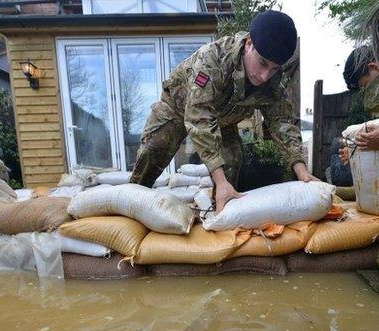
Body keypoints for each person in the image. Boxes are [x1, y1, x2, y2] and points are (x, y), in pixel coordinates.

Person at [130, 10, 320, 211]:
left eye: (273, 69)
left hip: (224, 119)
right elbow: (199, 116)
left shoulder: (274, 81)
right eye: (262, 63)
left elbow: (282, 122)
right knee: (154, 150)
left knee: (232, 160)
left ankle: (219, 213)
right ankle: (131, 204)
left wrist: (301, 169)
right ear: (249, 44)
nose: (265, 76)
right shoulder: (213, 60)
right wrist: (218, 179)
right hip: (178, 108)